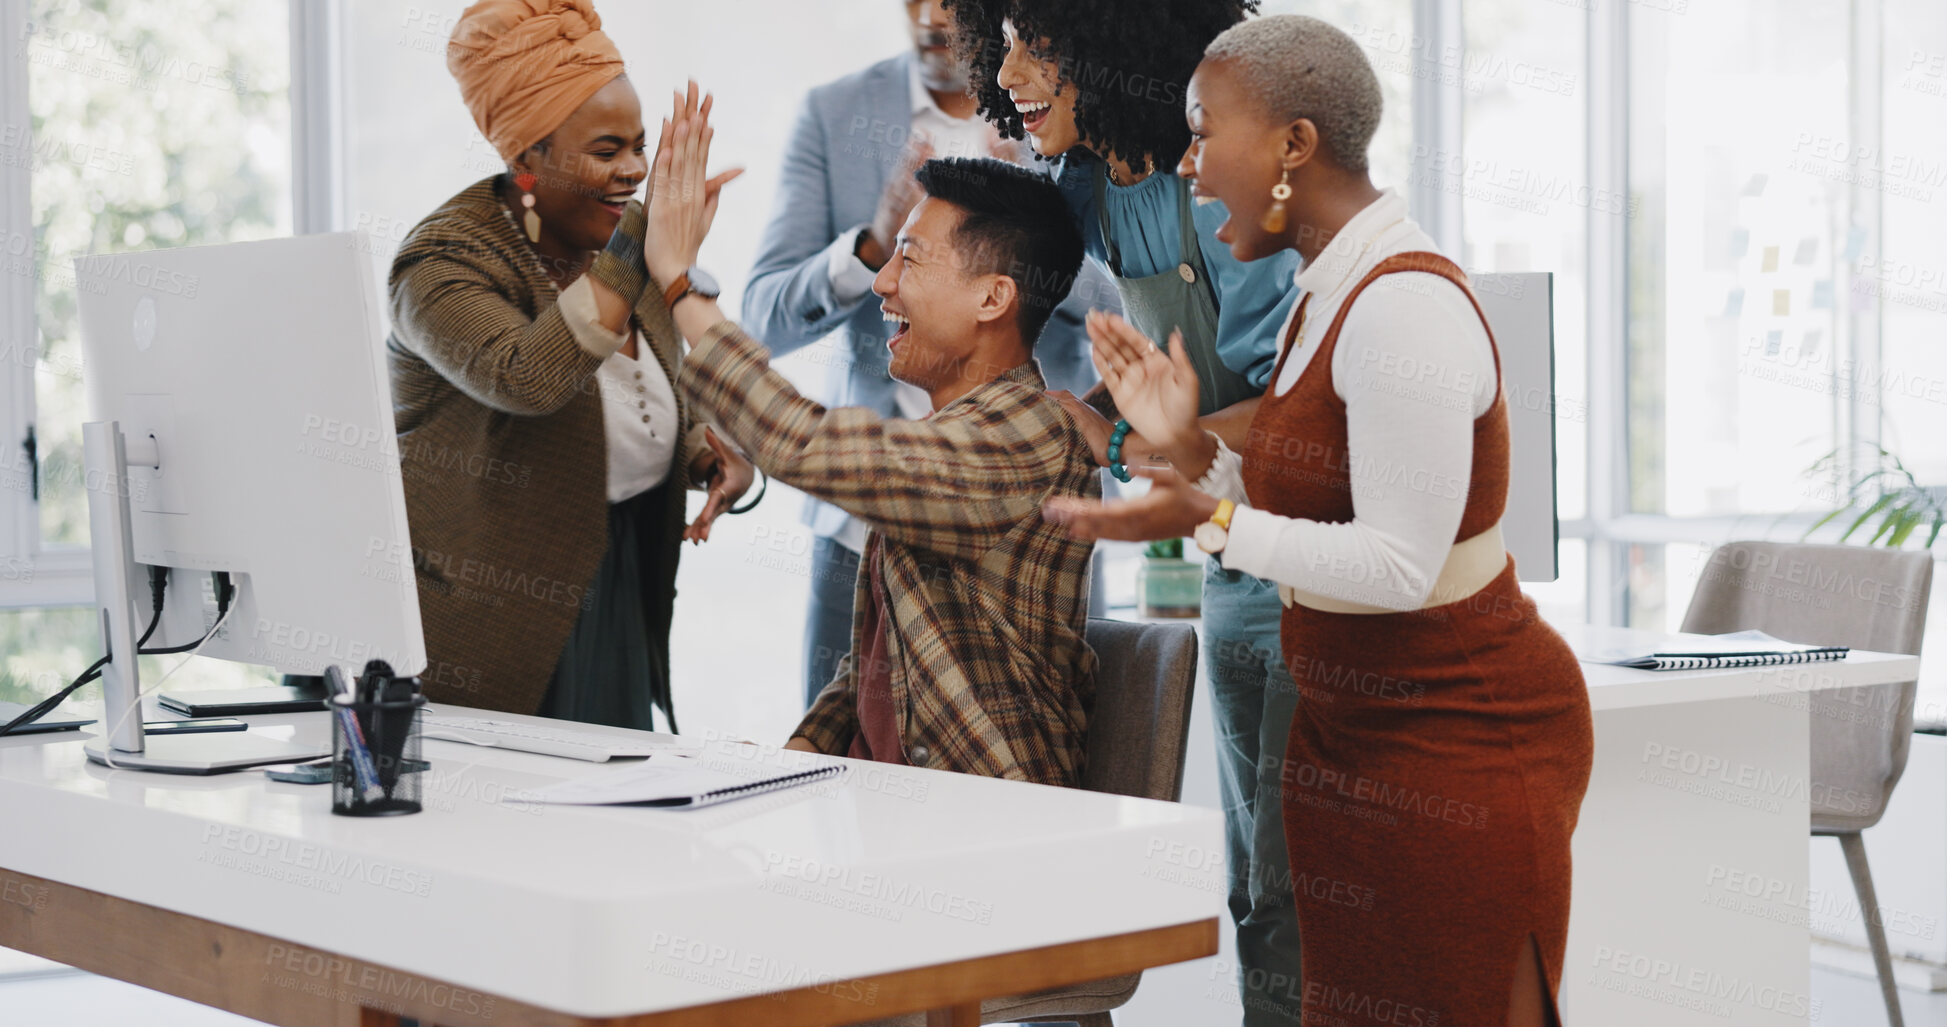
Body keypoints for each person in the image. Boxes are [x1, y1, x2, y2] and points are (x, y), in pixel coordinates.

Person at [1043, 16, 1595, 1027]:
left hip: (1457, 734)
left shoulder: (1401, 309)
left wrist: (1208, 513)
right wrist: (1188, 445)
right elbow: (1308, 494)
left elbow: (1393, 563)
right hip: (1356, 724)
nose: (1193, 170)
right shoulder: (1321, 295)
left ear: (1295, 146)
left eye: (1206, 135)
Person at [944, 2, 1305, 1020]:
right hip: (1233, 555)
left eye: (1035, 35)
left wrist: (1105, 438)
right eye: (999, 36)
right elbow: (1158, 380)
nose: (1008, 68)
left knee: (1295, 894)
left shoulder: (1219, 181)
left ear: (1116, 35)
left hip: (1315, 557)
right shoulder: (1085, 180)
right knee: (1254, 891)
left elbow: (1291, 409)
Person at [652, 95, 1098, 783]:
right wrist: (790, 758)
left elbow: (808, 444)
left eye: (910, 260)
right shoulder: (958, 430)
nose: (882, 283)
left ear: (992, 298)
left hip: (984, 835)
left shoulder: (1026, 433)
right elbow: (886, 660)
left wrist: (680, 282)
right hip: (893, 810)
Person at [382, 1, 752, 731]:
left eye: (641, 148)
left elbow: (647, 378)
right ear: (527, 160)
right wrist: (649, 237)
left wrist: (702, 449)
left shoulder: (612, 240)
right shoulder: (440, 264)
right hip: (491, 610)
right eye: (608, 150)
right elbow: (530, 378)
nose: (637, 172)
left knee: (613, 826)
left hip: (612, 574)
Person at [743, 0, 1111, 709]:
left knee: (1008, 735)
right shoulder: (834, 112)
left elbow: (1128, 307)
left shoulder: (1058, 109)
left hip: (1024, 517)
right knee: (848, 735)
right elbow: (762, 317)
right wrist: (871, 250)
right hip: (859, 523)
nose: (932, 15)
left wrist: (1029, 245)